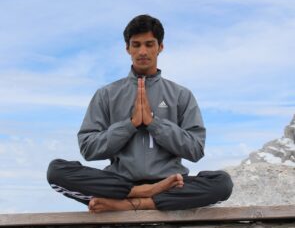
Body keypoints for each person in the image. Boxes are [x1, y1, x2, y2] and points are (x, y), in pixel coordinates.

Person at [47, 14, 233, 212]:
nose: (142, 51)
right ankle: (138, 193)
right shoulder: (106, 94)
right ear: (127, 48)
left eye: (149, 44)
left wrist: (154, 124)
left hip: (169, 184)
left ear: (160, 47)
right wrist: (130, 124)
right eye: (136, 45)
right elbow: (88, 148)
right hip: (119, 182)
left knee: (222, 183)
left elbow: (195, 149)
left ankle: (134, 203)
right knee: (56, 171)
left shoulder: (181, 95)